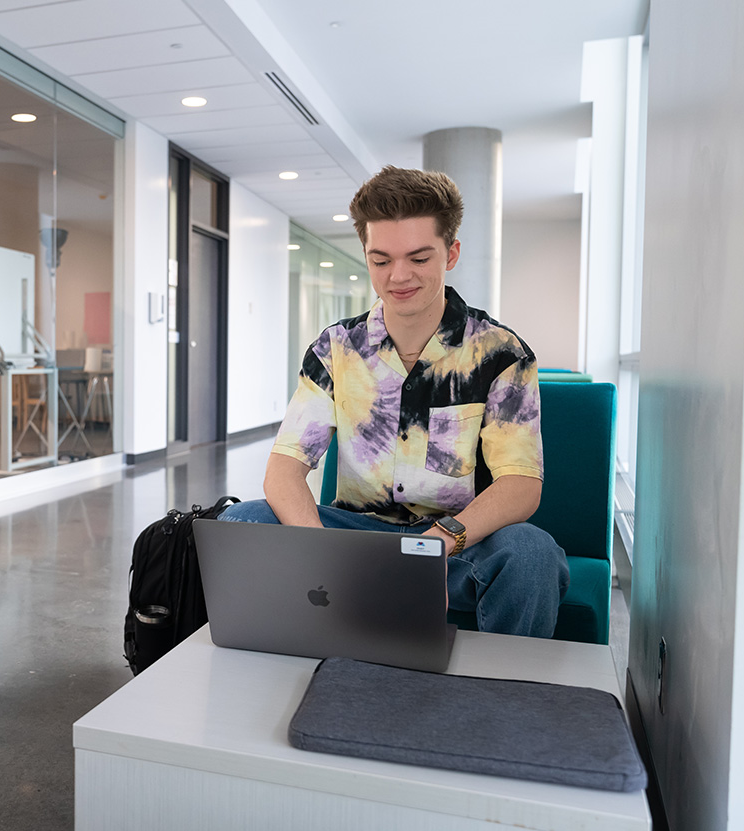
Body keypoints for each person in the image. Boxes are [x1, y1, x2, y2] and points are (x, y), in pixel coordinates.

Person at [220, 166, 568, 638]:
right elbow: (283, 470)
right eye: (381, 260)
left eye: (419, 258)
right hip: (357, 542)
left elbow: (521, 486)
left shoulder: (500, 354)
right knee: (242, 520)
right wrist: (322, 557)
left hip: (457, 545)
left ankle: (500, 696)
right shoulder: (337, 348)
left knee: (532, 553)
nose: (398, 276)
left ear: (452, 253)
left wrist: (440, 544)